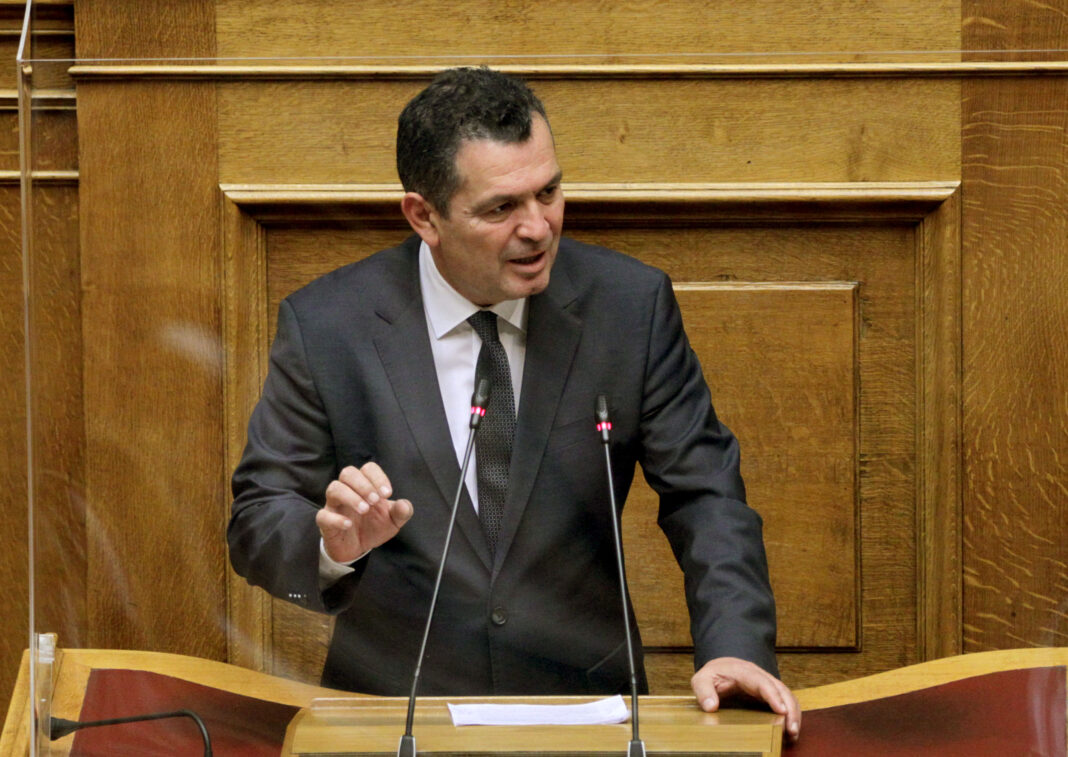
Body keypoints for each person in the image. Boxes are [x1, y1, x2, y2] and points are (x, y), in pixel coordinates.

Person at [229, 66, 800, 740]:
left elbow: (706, 496)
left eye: (548, 192)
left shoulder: (628, 308)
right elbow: (259, 515)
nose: (538, 228)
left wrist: (735, 645)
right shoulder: (330, 324)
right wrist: (331, 546)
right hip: (395, 716)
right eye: (501, 209)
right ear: (424, 216)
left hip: (586, 713)